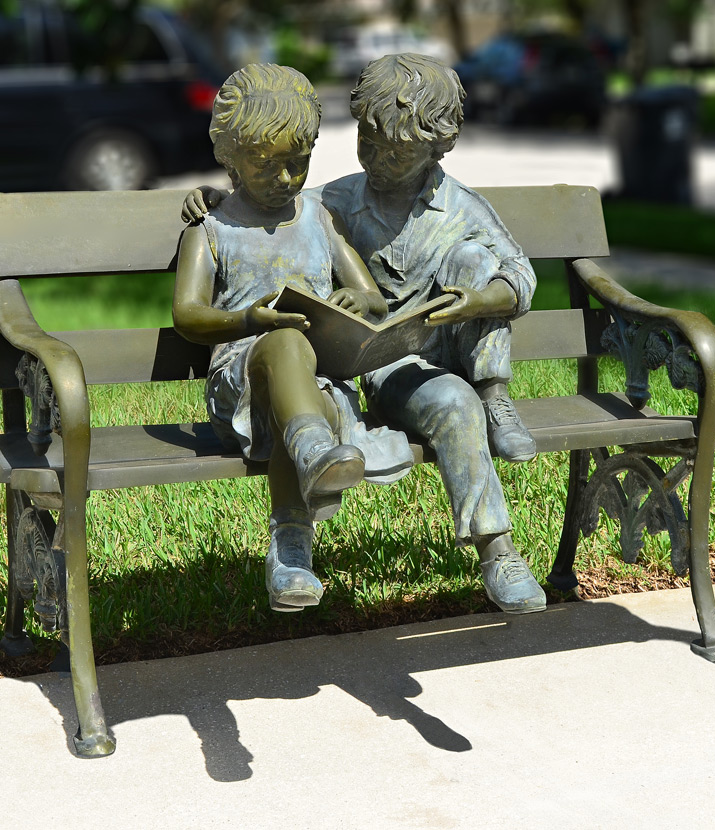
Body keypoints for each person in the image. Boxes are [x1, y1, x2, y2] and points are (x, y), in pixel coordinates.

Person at [184, 54, 546, 614]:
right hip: (328, 365)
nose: (377, 159)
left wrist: (476, 301)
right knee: (292, 379)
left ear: (436, 149)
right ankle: (300, 527)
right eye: (367, 143)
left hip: (405, 362)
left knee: (456, 398)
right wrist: (214, 197)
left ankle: (498, 551)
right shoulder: (335, 200)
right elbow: (265, 196)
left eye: (395, 152)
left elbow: (520, 275)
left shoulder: (461, 209)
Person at [173, 63, 410, 613]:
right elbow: (188, 314)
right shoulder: (211, 230)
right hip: (243, 379)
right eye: (264, 163)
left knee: (301, 391)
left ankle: (291, 559)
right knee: (282, 346)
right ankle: (315, 454)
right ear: (228, 159)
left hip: (319, 382)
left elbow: (372, 297)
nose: (284, 178)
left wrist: (359, 301)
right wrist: (249, 321)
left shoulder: (319, 220)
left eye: (297, 163)